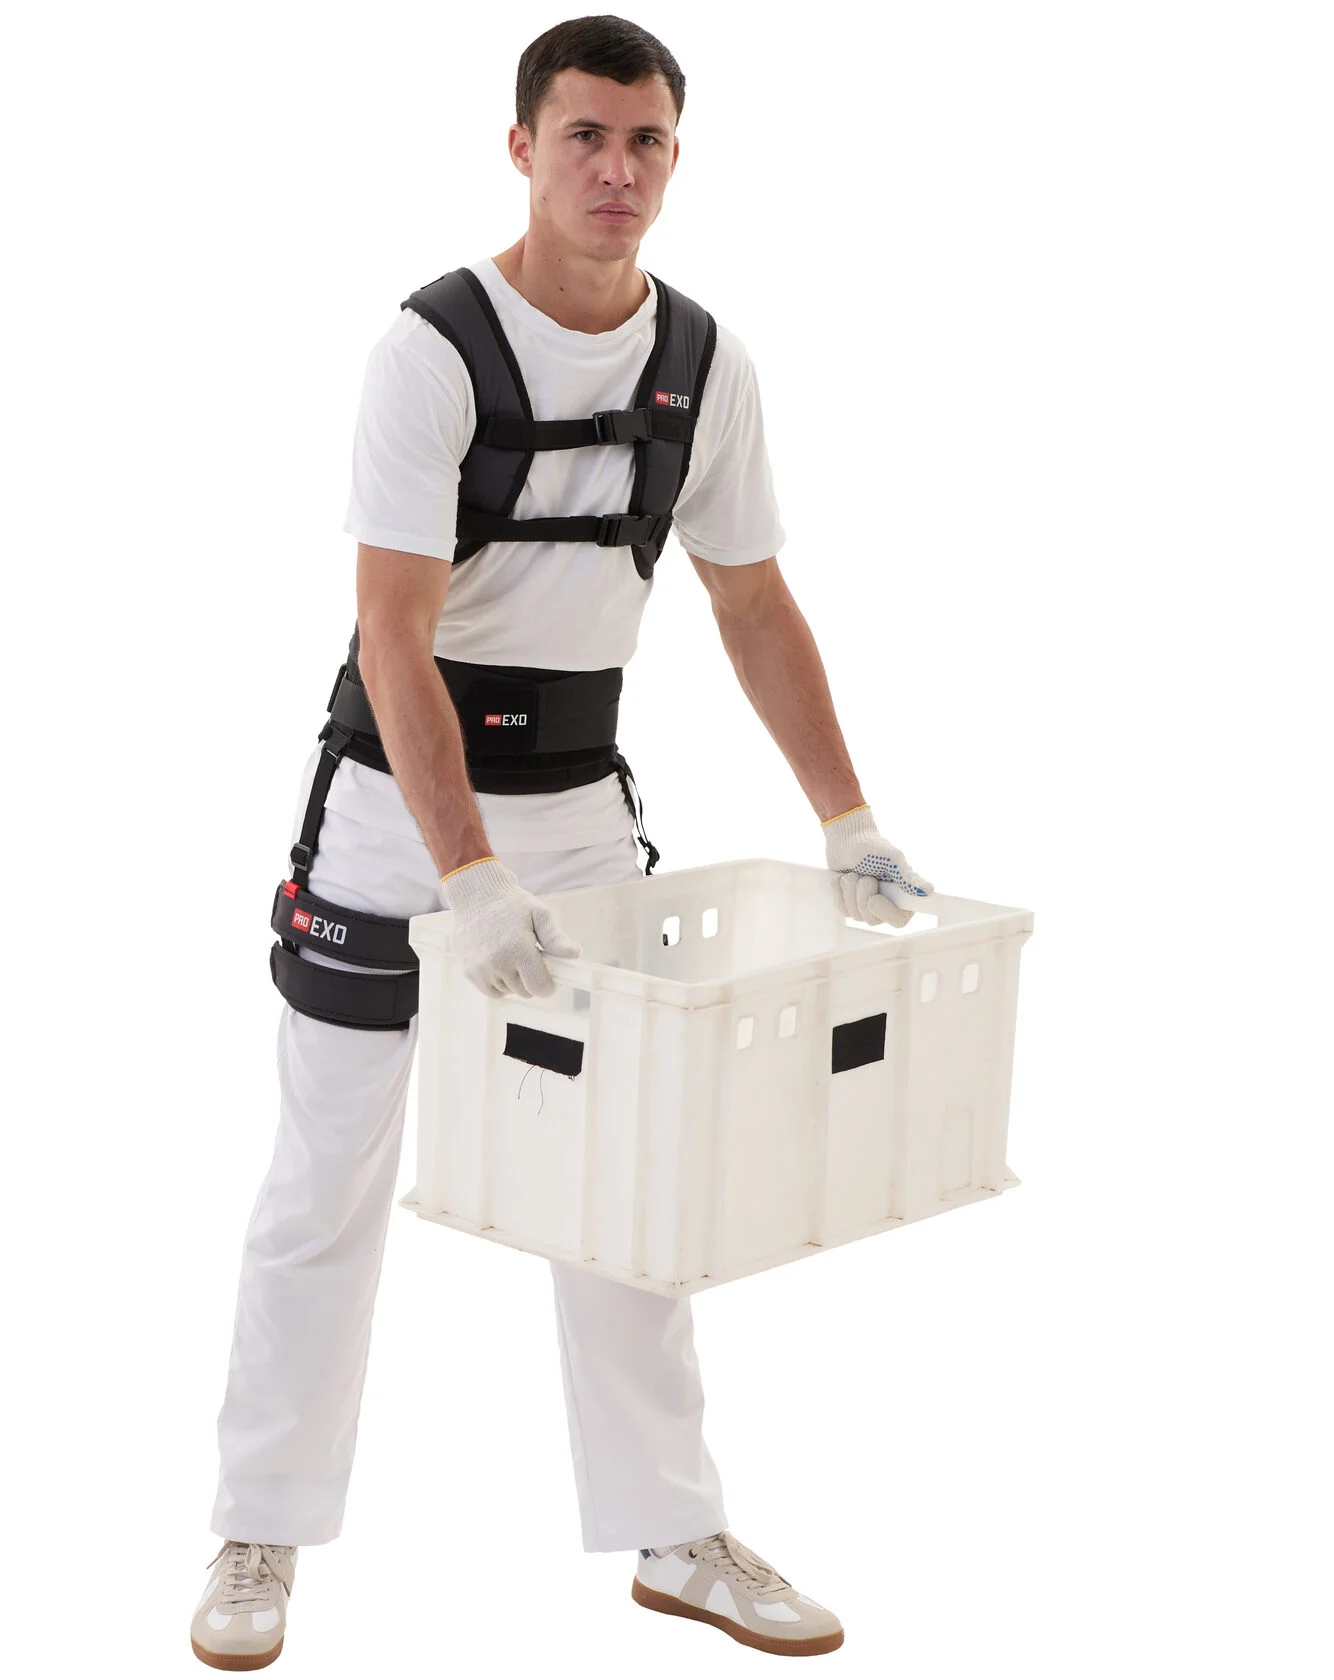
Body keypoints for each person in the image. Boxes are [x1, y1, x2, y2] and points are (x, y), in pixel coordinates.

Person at [191, 15, 930, 1669]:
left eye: (645, 140)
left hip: (584, 821)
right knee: (326, 1180)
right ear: (521, 147)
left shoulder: (706, 365)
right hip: (397, 818)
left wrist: (851, 818)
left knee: (627, 1182)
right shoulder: (431, 350)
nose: (616, 169)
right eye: (585, 135)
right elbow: (396, 636)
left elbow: (753, 602)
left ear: (676, 158)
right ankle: (259, 1529)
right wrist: (464, 877)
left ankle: (674, 1532)